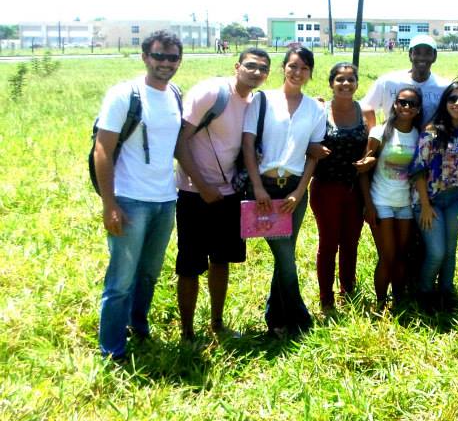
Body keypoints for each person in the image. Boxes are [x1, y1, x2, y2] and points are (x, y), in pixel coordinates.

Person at [93, 30, 184, 359]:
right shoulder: (125, 94)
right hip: (130, 199)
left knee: (149, 273)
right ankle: (112, 349)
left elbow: (177, 146)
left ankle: (138, 326)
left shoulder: (175, 94)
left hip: (165, 199)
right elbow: (102, 150)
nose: (165, 63)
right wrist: (110, 204)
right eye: (158, 56)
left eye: (172, 57)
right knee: (121, 279)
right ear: (145, 57)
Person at [174, 47, 271, 341]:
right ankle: (187, 332)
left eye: (263, 69)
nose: (256, 72)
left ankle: (217, 323)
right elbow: (180, 143)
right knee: (189, 264)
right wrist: (202, 186)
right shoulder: (211, 93)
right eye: (251, 66)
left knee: (221, 259)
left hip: (230, 195)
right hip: (194, 193)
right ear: (237, 66)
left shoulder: (254, 104)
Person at [242, 45, 327, 338]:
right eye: (292, 66)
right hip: (265, 190)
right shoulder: (262, 100)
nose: (297, 72)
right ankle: (300, 320)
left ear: (310, 72)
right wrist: (257, 187)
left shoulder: (316, 109)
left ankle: (275, 319)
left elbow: (313, 154)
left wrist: (300, 192)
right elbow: (248, 145)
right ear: (283, 68)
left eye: (304, 68)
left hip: (294, 190)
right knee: (286, 256)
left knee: (284, 256)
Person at [412, 81, 458, 310]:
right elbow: (419, 169)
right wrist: (425, 206)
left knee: (451, 249)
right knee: (437, 252)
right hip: (430, 201)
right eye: (453, 98)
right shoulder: (432, 130)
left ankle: (446, 293)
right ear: (445, 102)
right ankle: (424, 292)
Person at [309, 62, 375, 314]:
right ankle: (326, 299)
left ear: (357, 83)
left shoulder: (366, 112)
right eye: (340, 79)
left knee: (351, 242)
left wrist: (371, 160)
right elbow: (304, 141)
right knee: (328, 244)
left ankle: (348, 293)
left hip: (355, 189)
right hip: (325, 188)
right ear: (331, 83)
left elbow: (372, 148)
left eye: (351, 79)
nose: (345, 84)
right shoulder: (319, 110)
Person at [359, 86, 423, 307]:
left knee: (402, 255)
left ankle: (398, 300)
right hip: (381, 202)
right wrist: (368, 205)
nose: (406, 107)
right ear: (395, 104)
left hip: (405, 204)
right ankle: (380, 303)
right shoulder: (379, 132)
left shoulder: (418, 135)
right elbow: (363, 170)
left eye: (412, 104)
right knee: (388, 256)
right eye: (402, 102)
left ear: (418, 109)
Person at [361, 34, 449, 128]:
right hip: (391, 136)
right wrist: (374, 132)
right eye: (417, 52)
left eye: (427, 53)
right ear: (410, 55)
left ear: (435, 56)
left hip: (427, 137)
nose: (422, 58)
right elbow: (364, 107)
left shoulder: (444, 87)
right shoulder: (387, 82)